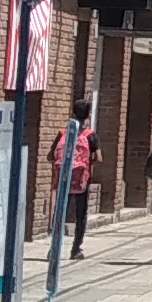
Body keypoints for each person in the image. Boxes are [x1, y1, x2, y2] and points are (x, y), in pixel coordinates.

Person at [52, 100, 98, 263]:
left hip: (63, 179)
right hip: (81, 181)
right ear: (87, 116)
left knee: (60, 213)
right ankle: (76, 248)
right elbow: (98, 158)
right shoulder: (90, 135)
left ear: (72, 113)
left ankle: (54, 248)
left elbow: (51, 156)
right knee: (80, 215)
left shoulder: (62, 133)